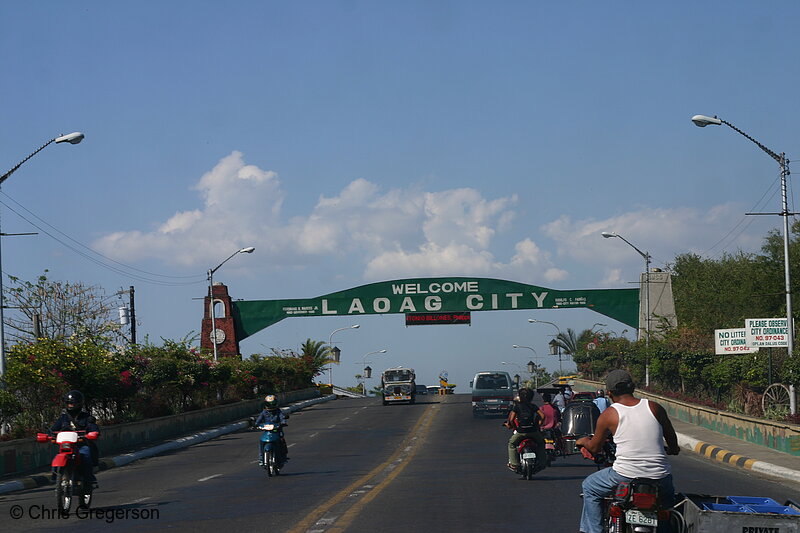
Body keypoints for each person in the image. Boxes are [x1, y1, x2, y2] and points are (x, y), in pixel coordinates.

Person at [576, 370, 680, 533]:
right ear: (632, 388)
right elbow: (672, 439)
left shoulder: (608, 415)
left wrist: (583, 441)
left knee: (589, 485)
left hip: (624, 476)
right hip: (660, 477)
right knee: (667, 507)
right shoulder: (654, 407)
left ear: (609, 393)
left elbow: (595, 447)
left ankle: (593, 530)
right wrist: (673, 450)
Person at [49, 390, 99, 488]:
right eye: (68, 403)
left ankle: (89, 479)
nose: (70, 405)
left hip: (81, 445)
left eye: (73, 403)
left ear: (79, 403)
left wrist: (92, 433)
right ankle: (56, 476)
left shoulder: (86, 417)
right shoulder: (63, 418)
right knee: (57, 457)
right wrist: (48, 435)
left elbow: (93, 427)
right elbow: (53, 429)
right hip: (66, 445)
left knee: (86, 455)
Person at [504, 387, 547, 474]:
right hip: (533, 431)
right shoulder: (533, 406)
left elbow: (511, 419)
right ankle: (542, 462)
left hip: (521, 432)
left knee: (511, 444)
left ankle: (514, 463)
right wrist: (539, 424)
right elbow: (543, 416)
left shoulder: (517, 407)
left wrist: (514, 427)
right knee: (541, 443)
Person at [254, 394, 289, 465]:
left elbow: (282, 417)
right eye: (268, 404)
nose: (271, 406)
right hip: (267, 431)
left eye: (273, 404)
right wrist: (256, 424)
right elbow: (258, 420)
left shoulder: (278, 411)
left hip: (277, 429)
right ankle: (261, 459)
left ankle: (283, 456)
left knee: (281, 439)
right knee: (261, 441)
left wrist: (283, 423)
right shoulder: (264, 412)